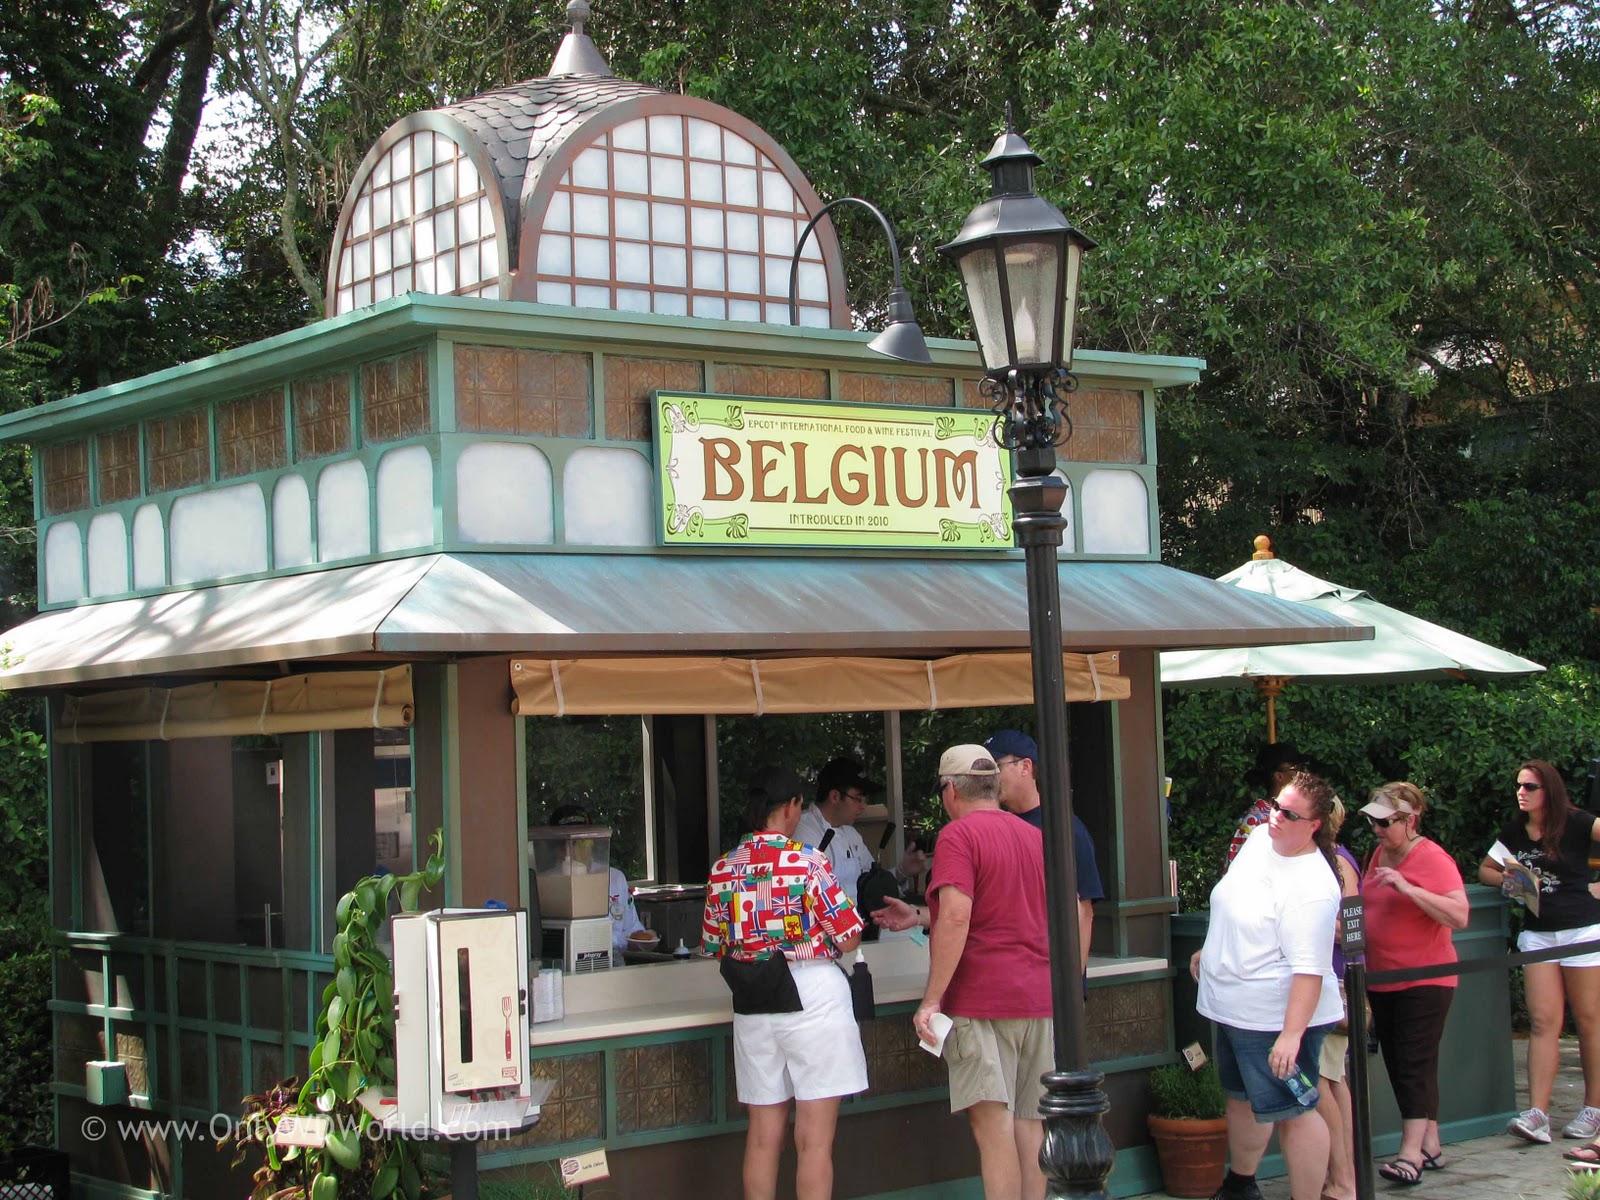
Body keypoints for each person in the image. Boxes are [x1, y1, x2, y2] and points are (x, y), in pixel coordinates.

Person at [701, 766, 867, 1200]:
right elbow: (849, 938)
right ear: (793, 807)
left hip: (753, 999)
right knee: (813, 1140)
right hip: (812, 994)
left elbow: (712, 942)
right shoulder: (807, 862)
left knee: (761, 1135)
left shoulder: (722, 869)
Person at [906, 745, 1054, 1200]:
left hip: (981, 999)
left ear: (950, 790)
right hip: (1038, 998)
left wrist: (932, 1000)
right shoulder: (1034, 836)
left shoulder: (958, 836)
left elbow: (955, 916)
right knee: (1031, 1126)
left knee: (994, 1133)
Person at [1189, 771, 1343, 1200]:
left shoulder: (1313, 884)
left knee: (1295, 1110)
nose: (1275, 816)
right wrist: (1212, 949)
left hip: (1275, 1015)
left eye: (1289, 813)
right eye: (1275, 805)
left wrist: (1291, 1036)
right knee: (1239, 1098)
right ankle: (1240, 1185)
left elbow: (1309, 970)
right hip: (1234, 1004)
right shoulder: (1258, 839)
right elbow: (1232, 901)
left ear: (1314, 825)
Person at [1477, 760, 1600, 1150]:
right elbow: (1485, 870)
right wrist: (1515, 882)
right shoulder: (1515, 830)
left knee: (1588, 1019)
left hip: (1582, 929)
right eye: (1519, 785)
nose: (1522, 792)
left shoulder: (1579, 822)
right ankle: (1538, 1114)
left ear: (1549, 789)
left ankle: (1593, 1108)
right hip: (1539, 934)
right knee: (1543, 1021)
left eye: (1530, 786)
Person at [1360, 782, 1468, 1184]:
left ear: (1410, 821)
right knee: (1405, 1061)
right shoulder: (1378, 853)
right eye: (1373, 820)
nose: (1377, 828)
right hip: (1383, 977)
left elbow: (1460, 915)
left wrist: (1408, 887)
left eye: (1385, 822)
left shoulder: (1432, 857)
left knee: (1412, 1062)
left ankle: (1410, 1154)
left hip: (1425, 977)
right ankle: (1431, 1144)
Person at [984, 729, 1103, 971]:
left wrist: (1073, 989)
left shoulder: (1065, 829)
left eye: (996, 767)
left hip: (1050, 979)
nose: (990, 777)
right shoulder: (995, 828)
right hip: (1008, 975)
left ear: (1025, 767)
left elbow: (1083, 913)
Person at [795, 756, 924, 905]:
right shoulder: (804, 831)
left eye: (865, 800)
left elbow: (872, 886)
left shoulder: (851, 834)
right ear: (835, 796)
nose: (863, 806)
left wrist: (903, 871)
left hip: (862, 923)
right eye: (858, 799)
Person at [1316, 796, 1361, 1200]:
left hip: (1336, 981)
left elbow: (1353, 932)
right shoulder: (1317, 860)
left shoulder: (1339, 861)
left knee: (1322, 1079)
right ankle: (1340, 1175)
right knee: (1332, 1078)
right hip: (1318, 981)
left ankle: (1342, 1180)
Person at [548, 804, 646, 954]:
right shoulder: (548, 882)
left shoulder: (614, 878)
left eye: (584, 840)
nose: (579, 848)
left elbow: (633, 930)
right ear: (557, 847)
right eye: (571, 843)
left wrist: (643, 939)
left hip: (616, 965)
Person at [1225, 742, 1305, 867]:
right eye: (1295, 769)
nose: (1300, 775)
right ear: (1279, 776)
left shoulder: (1301, 814)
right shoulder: (1254, 821)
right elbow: (1237, 871)